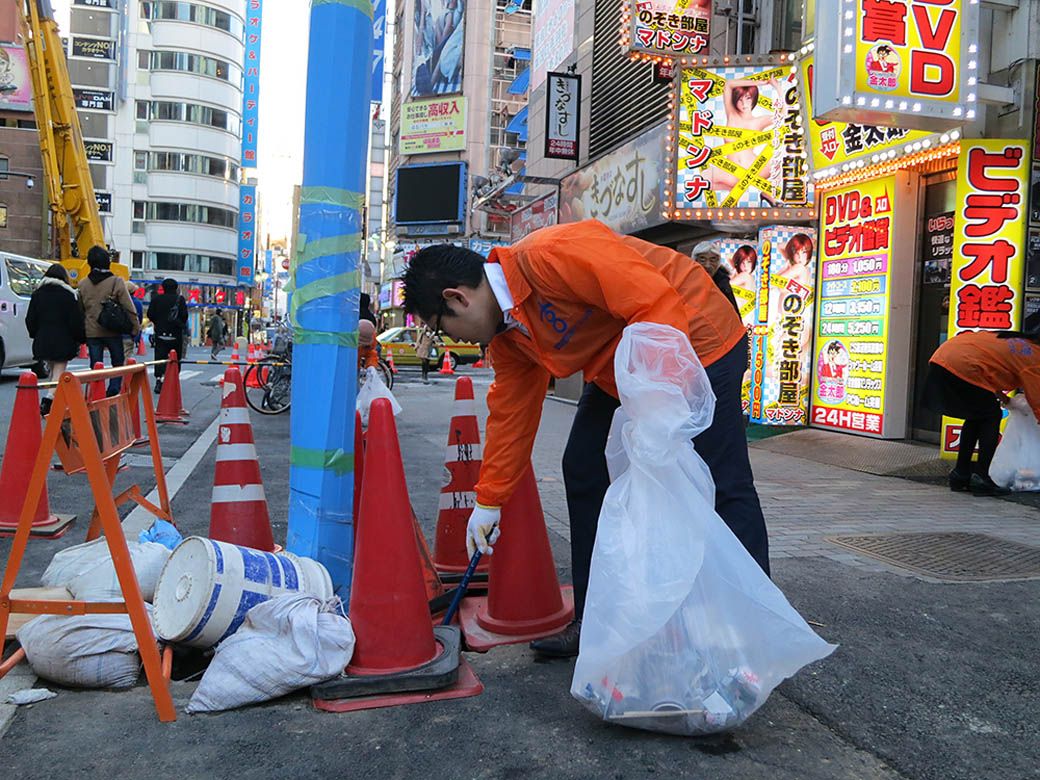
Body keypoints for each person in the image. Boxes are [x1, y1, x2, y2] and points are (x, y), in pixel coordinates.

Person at [403, 219, 771, 658]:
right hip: (621, 364)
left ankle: (749, 626)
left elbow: (652, 302)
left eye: (443, 328)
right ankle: (597, 620)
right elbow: (511, 415)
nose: (451, 340)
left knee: (722, 480)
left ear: (456, 298)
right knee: (583, 465)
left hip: (696, 338)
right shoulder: (508, 336)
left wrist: (660, 403)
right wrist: (489, 500)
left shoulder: (552, 254)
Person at [925, 324, 1040, 496]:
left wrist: (999, 394)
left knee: (976, 416)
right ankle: (982, 477)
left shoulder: (1017, 342)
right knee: (991, 416)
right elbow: (1036, 397)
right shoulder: (1034, 355)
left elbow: (989, 361)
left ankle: (960, 475)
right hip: (964, 363)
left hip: (945, 357)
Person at [77, 246, 139, 396]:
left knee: (95, 364)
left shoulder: (83, 284)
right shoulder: (116, 282)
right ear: (107, 262)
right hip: (113, 329)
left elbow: (80, 309)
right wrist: (135, 327)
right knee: (117, 362)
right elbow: (128, 306)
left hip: (92, 331)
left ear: (90, 263)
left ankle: (95, 392)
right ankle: (113, 390)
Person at [26, 264, 85, 416]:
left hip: (43, 338)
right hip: (63, 339)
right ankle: (49, 400)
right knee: (59, 370)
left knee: (53, 371)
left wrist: (35, 334)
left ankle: (54, 400)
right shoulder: (68, 294)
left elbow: (30, 319)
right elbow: (75, 321)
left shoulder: (37, 294)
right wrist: (80, 338)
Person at [147, 278, 188, 395]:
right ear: (176, 288)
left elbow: (150, 314)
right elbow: (184, 316)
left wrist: (159, 323)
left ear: (163, 287)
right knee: (175, 358)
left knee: (160, 357)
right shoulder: (180, 300)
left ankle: (159, 379)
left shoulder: (156, 299)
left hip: (160, 333)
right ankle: (172, 381)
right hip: (175, 334)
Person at [691, 240, 740, 314]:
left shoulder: (723, 284)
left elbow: (733, 312)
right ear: (695, 260)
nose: (707, 265)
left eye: (712, 260)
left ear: (718, 262)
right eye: (702, 260)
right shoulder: (686, 281)